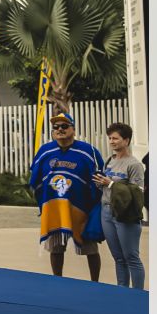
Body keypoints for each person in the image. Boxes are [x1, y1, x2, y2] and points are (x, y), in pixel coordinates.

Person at [30, 112, 104, 282]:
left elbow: (99, 179)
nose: (60, 130)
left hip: (81, 208)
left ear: (73, 129)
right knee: (56, 248)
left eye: (64, 126)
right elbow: (35, 179)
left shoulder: (88, 151)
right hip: (54, 207)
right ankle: (58, 282)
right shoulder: (45, 151)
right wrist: (41, 202)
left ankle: (95, 283)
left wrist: (95, 206)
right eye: (56, 127)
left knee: (90, 249)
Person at [93, 123, 146, 289]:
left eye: (115, 138)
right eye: (110, 138)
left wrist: (110, 184)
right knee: (118, 257)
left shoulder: (134, 164)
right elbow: (106, 184)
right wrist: (100, 184)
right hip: (106, 212)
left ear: (126, 140)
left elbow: (138, 192)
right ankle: (122, 290)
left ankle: (138, 294)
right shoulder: (109, 161)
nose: (111, 141)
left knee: (131, 257)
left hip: (125, 214)